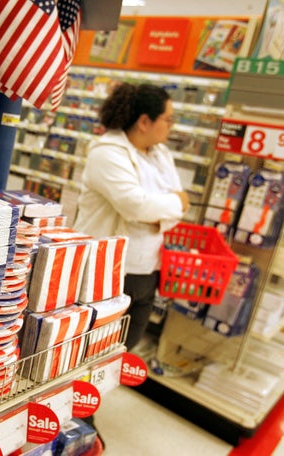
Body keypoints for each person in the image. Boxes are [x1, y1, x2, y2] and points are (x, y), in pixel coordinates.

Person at [73, 82, 189, 352]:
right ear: (144, 122)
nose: (171, 126)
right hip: (109, 271)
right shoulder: (107, 152)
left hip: (148, 270)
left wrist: (160, 211)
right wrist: (167, 207)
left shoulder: (161, 154)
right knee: (93, 348)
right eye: (168, 119)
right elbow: (135, 206)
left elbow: (180, 206)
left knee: (126, 346)